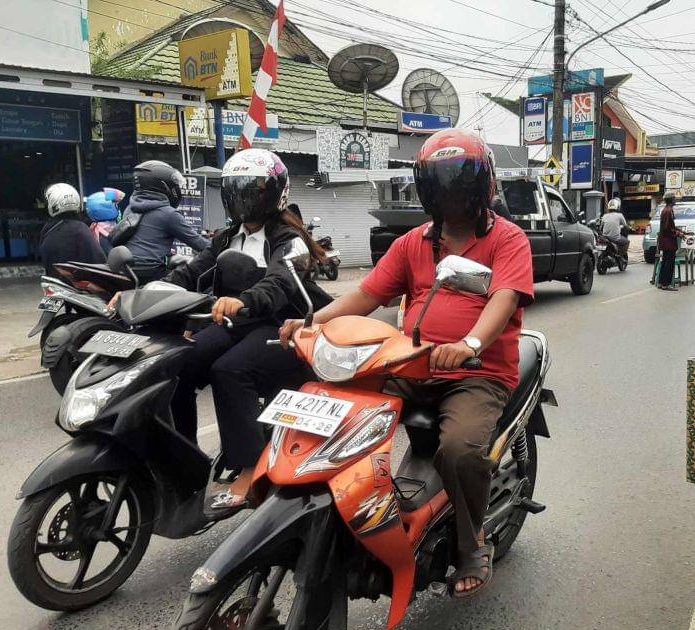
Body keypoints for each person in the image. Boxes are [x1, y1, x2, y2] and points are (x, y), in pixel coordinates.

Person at [279, 128, 534, 597]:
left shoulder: (508, 239)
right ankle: (352, 505)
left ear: (481, 189)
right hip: (411, 362)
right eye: (442, 186)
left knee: (458, 448)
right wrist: (311, 321)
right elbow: (366, 294)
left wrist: (472, 343)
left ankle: (472, 542)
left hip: (477, 373)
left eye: (460, 186)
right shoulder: (413, 242)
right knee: (336, 408)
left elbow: (503, 299)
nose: (452, 196)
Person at [155, 149, 331, 514]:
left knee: (230, 370)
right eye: (237, 192)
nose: (244, 201)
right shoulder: (227, 236)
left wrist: (245, 299)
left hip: (286, 325)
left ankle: (251, 468)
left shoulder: (289, 238)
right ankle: (184, 459)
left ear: (276, 193)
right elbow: (191, 272)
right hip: (239, 321)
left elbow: (282, 280)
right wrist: (147, 292)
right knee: (178, 362)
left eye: (253, 192)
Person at [121, 160, 210, 281]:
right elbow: (201, 245)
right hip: (151, 273)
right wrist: (223, 246)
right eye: (174, 184)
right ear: (163, 186)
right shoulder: (169, 214)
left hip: (125, 270)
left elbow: (146, 240)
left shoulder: (130, 209)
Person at [38, 183, 106, 275]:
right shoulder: (80, 229)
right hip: (80, 285)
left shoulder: (47, 230)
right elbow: (99, 260)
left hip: (56, 283)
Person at [656, 192, 687, 291]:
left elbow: (669, 227)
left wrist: (679, 231)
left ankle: (661, 282)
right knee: (669, 263)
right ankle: (666, 284)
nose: (675, 200)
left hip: (665, 241)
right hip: (668, 242)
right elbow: (667, 229)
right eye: (674, 199)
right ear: (671, 200)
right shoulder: (668, 211)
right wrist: (678, 234)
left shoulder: (666, 210)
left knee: (665, 261)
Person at [85, 187, 125, 255]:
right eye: (116, 206)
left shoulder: (94, 229)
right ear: (107, 208)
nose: (118, 209)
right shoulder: (105, 235)